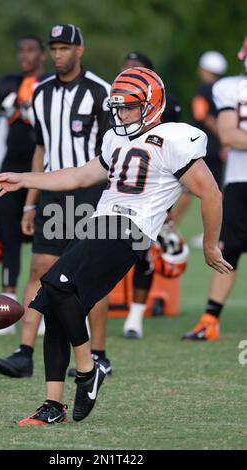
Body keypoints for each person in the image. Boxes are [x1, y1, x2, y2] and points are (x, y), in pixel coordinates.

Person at [0, 66, 232, 424]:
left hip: (131, 228)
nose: (121, 114)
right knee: (52, 304)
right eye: (117, 106)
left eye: (129, 106)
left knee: (55, 284)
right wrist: (23, 179)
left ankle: (88, 370)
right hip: (100, 224)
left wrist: (210, 245)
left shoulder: (175, 138)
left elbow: (211, 194)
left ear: (151, 105)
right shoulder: (116, 139)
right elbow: (79, 175)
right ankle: (53, 405)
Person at [0, 24, 112, 378]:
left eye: (64, 48)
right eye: (54, 48)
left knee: (93, 276)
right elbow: (40, 150)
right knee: (40, 268)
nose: (58, 54)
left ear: (80, 50)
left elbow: (111, 152)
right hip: (53, 193)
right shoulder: (41, 93)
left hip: (92, 193)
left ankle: (99, 354)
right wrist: (31, 200)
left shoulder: (101, 92)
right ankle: (24, 352)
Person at [183, 37, 247, 340]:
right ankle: (210, 320)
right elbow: (229, 134)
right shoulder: (230, 88)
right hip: (239, 181)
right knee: (229, 250)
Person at [0, 34, 48, 337]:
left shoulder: (51, 83)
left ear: (43, 55)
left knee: (46, 243)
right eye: (21, 50)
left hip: (45, 171)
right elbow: (7, 111)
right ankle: (5, 309)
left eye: (31, 50)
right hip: (11, 170)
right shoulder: (7, 82)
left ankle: (43, 305)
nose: (25, 56)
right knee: (9, 238)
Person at [120, 52, 183, 339]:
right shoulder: (115, 107)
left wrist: (167, 205)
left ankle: (135, 317)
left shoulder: (168, 111)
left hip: (150, 195)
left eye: (137, 70)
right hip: (115, 189)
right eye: (126, 70)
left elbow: (178, 166)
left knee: (144, 254)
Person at [190, 50, 228, 249]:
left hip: (206, 147)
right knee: (216, 191)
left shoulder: (204, 89)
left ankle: (214, 234)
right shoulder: (224, 89)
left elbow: (202, 114)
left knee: (205, 193)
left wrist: (223, 137)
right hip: (218, 148)